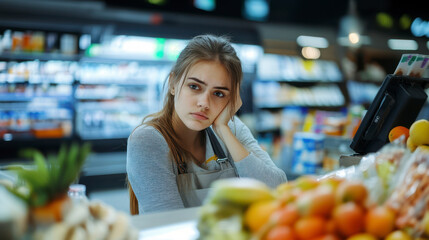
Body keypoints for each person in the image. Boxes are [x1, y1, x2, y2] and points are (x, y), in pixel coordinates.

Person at [126, 34, 287, 214]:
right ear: (173, 83)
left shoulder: (231, 128)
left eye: (219, 93)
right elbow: (168, 226)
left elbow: (277, 189)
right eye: (195, 86)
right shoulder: (148, 139)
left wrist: (223, 129)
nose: (204, 103)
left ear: (231, 99)